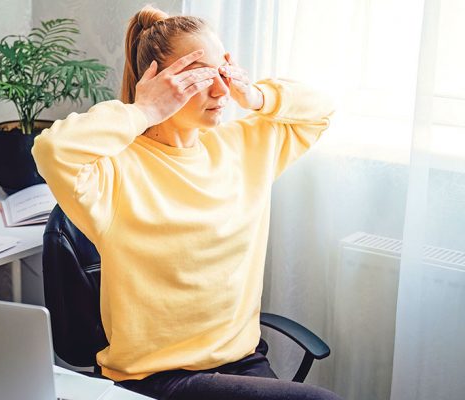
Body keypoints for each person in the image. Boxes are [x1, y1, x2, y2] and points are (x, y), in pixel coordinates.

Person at [32, 5, 340, 400]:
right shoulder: (115, 171)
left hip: (242, 364)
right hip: (157, 380)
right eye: (199, 77)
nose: (220, 91)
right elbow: (51, 150)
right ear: (159, 83)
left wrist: (256, 95)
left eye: (222, 73)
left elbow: (321, 109)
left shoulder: (243, 148)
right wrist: (143, 110)